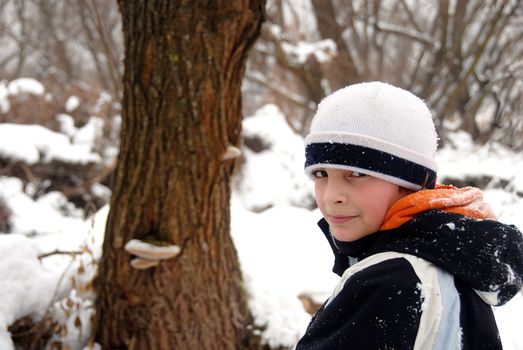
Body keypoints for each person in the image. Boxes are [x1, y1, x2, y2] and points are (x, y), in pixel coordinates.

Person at [295, 81, 523, 349]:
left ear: (409, 183)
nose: (332, 195)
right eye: (321, 174)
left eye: (356, 174)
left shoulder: (389, 282)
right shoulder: (448, 261)